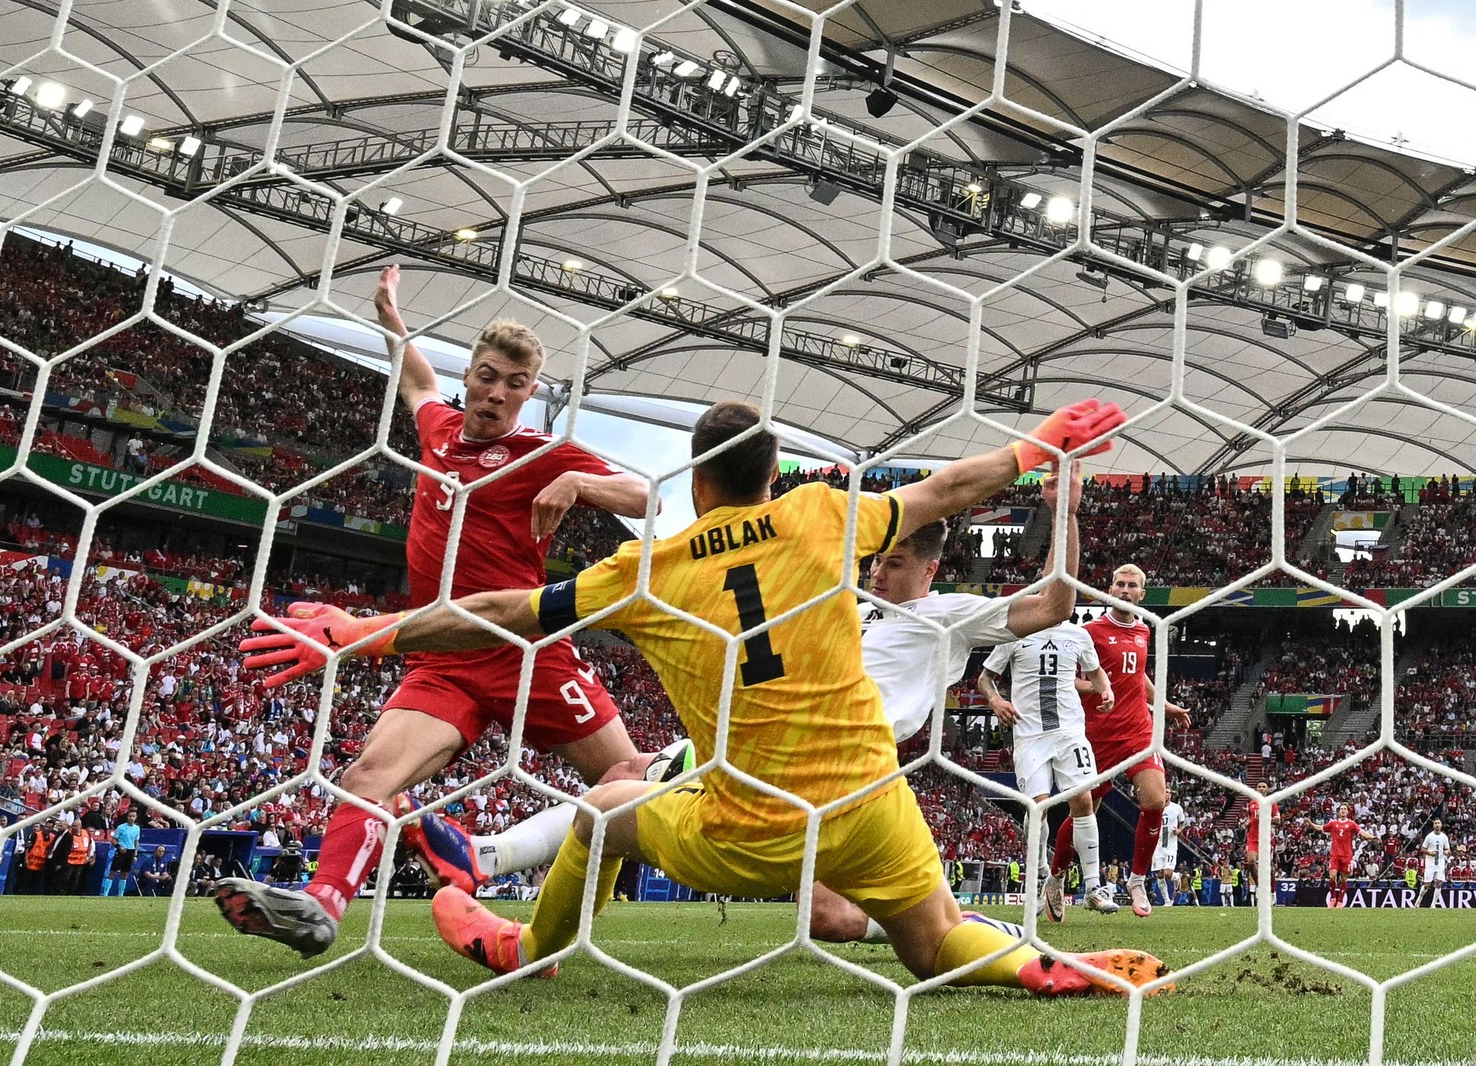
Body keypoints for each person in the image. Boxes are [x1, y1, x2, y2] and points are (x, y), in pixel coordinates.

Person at [243, 397, 1170, 996]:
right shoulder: (823, 515)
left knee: (607, 806)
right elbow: (949, 486)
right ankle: (1045, 966)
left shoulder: (646, 571)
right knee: (929, 947)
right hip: (872, 803)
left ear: (694, 482)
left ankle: (531, 947)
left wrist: (364, 634)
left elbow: (501, 612)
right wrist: (1040, 446)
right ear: (774, 477)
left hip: (753, 823)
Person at [400, 462, 1095, 946]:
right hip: (765, 741)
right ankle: (486, 858)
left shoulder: (951, 614)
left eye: (896, 565)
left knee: (826, 917)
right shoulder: (840, 599)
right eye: (877, 561)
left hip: (843, 765)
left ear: (931, 571)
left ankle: (961, 929)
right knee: (621, 782)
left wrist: (1062, 511)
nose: (879, 572)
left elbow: (1056, 604)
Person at [214, 265, 656, 957]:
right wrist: (393, 319)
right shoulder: (440, 431)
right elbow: (417, 380)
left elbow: (648, 498)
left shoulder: (541, 454)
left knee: (627, 782)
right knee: (367, 777)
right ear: (472, 375)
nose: (497, 393)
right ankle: (320, 907)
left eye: (515, 385)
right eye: (487, 376)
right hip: (443, 654)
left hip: (527, 653)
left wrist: (576, 481)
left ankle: (547, 915)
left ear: (530, 394)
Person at [1046, 564, 1191, 919]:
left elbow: (1138, 676)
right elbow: (1067, 679)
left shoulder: (1143, 630)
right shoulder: (1088, 633)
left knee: (1155, 800)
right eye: (1119, 584)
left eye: (1132, 586)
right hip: (1096, 735)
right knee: (1083, 813)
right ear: (1109, 589)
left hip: (1138, 731)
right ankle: (1056, 878)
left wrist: (1165, 706)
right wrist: (1098, 686)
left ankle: (1137, 879)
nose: (1124, 590)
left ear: (1142, 594)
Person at [979, 607, 1116, 918]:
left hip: (1070, 733)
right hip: (1029, 735)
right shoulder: (1015, 633)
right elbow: (986, 678)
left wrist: (1106, 689)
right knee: (1038, 805)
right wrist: (995, 700)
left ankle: (1093, 887)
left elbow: (1095, 672)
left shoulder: (1078, 635)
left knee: (1083, 798)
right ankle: (1041, 872)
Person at [1308, 804, 1377, 909]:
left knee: (1344, 878)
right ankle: (1333, 898)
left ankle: (1340, 900)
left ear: (1348, 811)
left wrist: (1371, 837)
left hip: (1346, 855)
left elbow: (1362, 832)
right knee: (1332, 876)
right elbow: (1320, 828)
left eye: (1345, 809)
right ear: (1339, 811)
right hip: (1335, 854)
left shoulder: (1351, 824)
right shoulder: (1333, 823)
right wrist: (1310, 823)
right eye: (1341, 809)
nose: (1343, 811)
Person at [1243, 780, 1279, 903]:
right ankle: (1259, 886)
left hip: (1265, 839)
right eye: (1259, 786)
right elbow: (1250, 819)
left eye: (1264, 786)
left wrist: (1266, 817)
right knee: (1251, 862)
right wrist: (1246, 823)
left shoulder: (1271, 803)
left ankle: (1273, 891)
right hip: (1252, 838)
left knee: (1270, 869)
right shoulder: (1251, 804)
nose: (1261, 788)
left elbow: (1277, 820)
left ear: (1267, 789)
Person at [1150, 793, 1184, 907]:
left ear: (1171, 794)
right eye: (1164, 792)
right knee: (1160, 874)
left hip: (1170, 846)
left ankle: (1177, 876)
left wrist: (1179, 831)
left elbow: (1183, 823)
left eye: (1168, 792)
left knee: (1167, 874)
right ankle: (1167, 901)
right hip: (1158, 846)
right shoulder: (1156, 807)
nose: (1166, 794)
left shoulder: (1176, 808)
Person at [104, 809, 140, 897]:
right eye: (130, 816)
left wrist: (135, 854)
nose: (131, 818)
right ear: (127, 817)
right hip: (121, 851)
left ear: (136, 817)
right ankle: (105, 894)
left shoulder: (137, 828)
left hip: (130, 851)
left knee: (125, 873)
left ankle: (120, 895)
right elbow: (113, 840)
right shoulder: (121, 827)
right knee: (113, 872)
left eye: (133, 816)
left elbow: (136, 841)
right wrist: (119, 847)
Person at [1418, 818, 1450, 907]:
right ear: (1433, 825)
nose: (1437, 825)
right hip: (1430, 863)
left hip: (1440, 862)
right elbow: (1422, 849)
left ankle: (1433, 904)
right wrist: (1429, 853)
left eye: (1438, 823)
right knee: (1427, 885)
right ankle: (1419, 900)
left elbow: (1447, 849)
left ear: (1441, 825)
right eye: (1435, 823)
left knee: (1439, 883)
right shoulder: (1429, 836)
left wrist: (1447, 852)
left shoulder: (1444, 837)